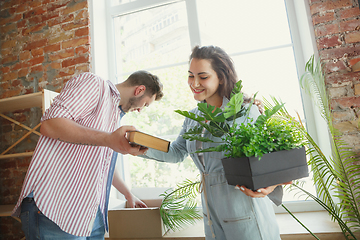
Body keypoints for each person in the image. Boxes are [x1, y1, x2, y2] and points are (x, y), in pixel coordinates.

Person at [141, 45, 288, 240]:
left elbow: (273, 157)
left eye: (203, 77)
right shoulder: (193, 117)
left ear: (221, 77)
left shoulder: (245, 111)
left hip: (245, 211)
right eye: (190, 75)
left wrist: (270, 185)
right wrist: (141, 147)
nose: (194, 83)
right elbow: (177, 152)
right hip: (211, 213)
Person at [11, 70, 164, 239]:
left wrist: (128, 194)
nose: (141, 110)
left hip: (90, 214)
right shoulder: (94, 84)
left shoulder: (114, 115)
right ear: (139, 90)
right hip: (55, 206)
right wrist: (108, 139)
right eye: (146, 104)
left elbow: (102, 163)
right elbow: (50, 124)